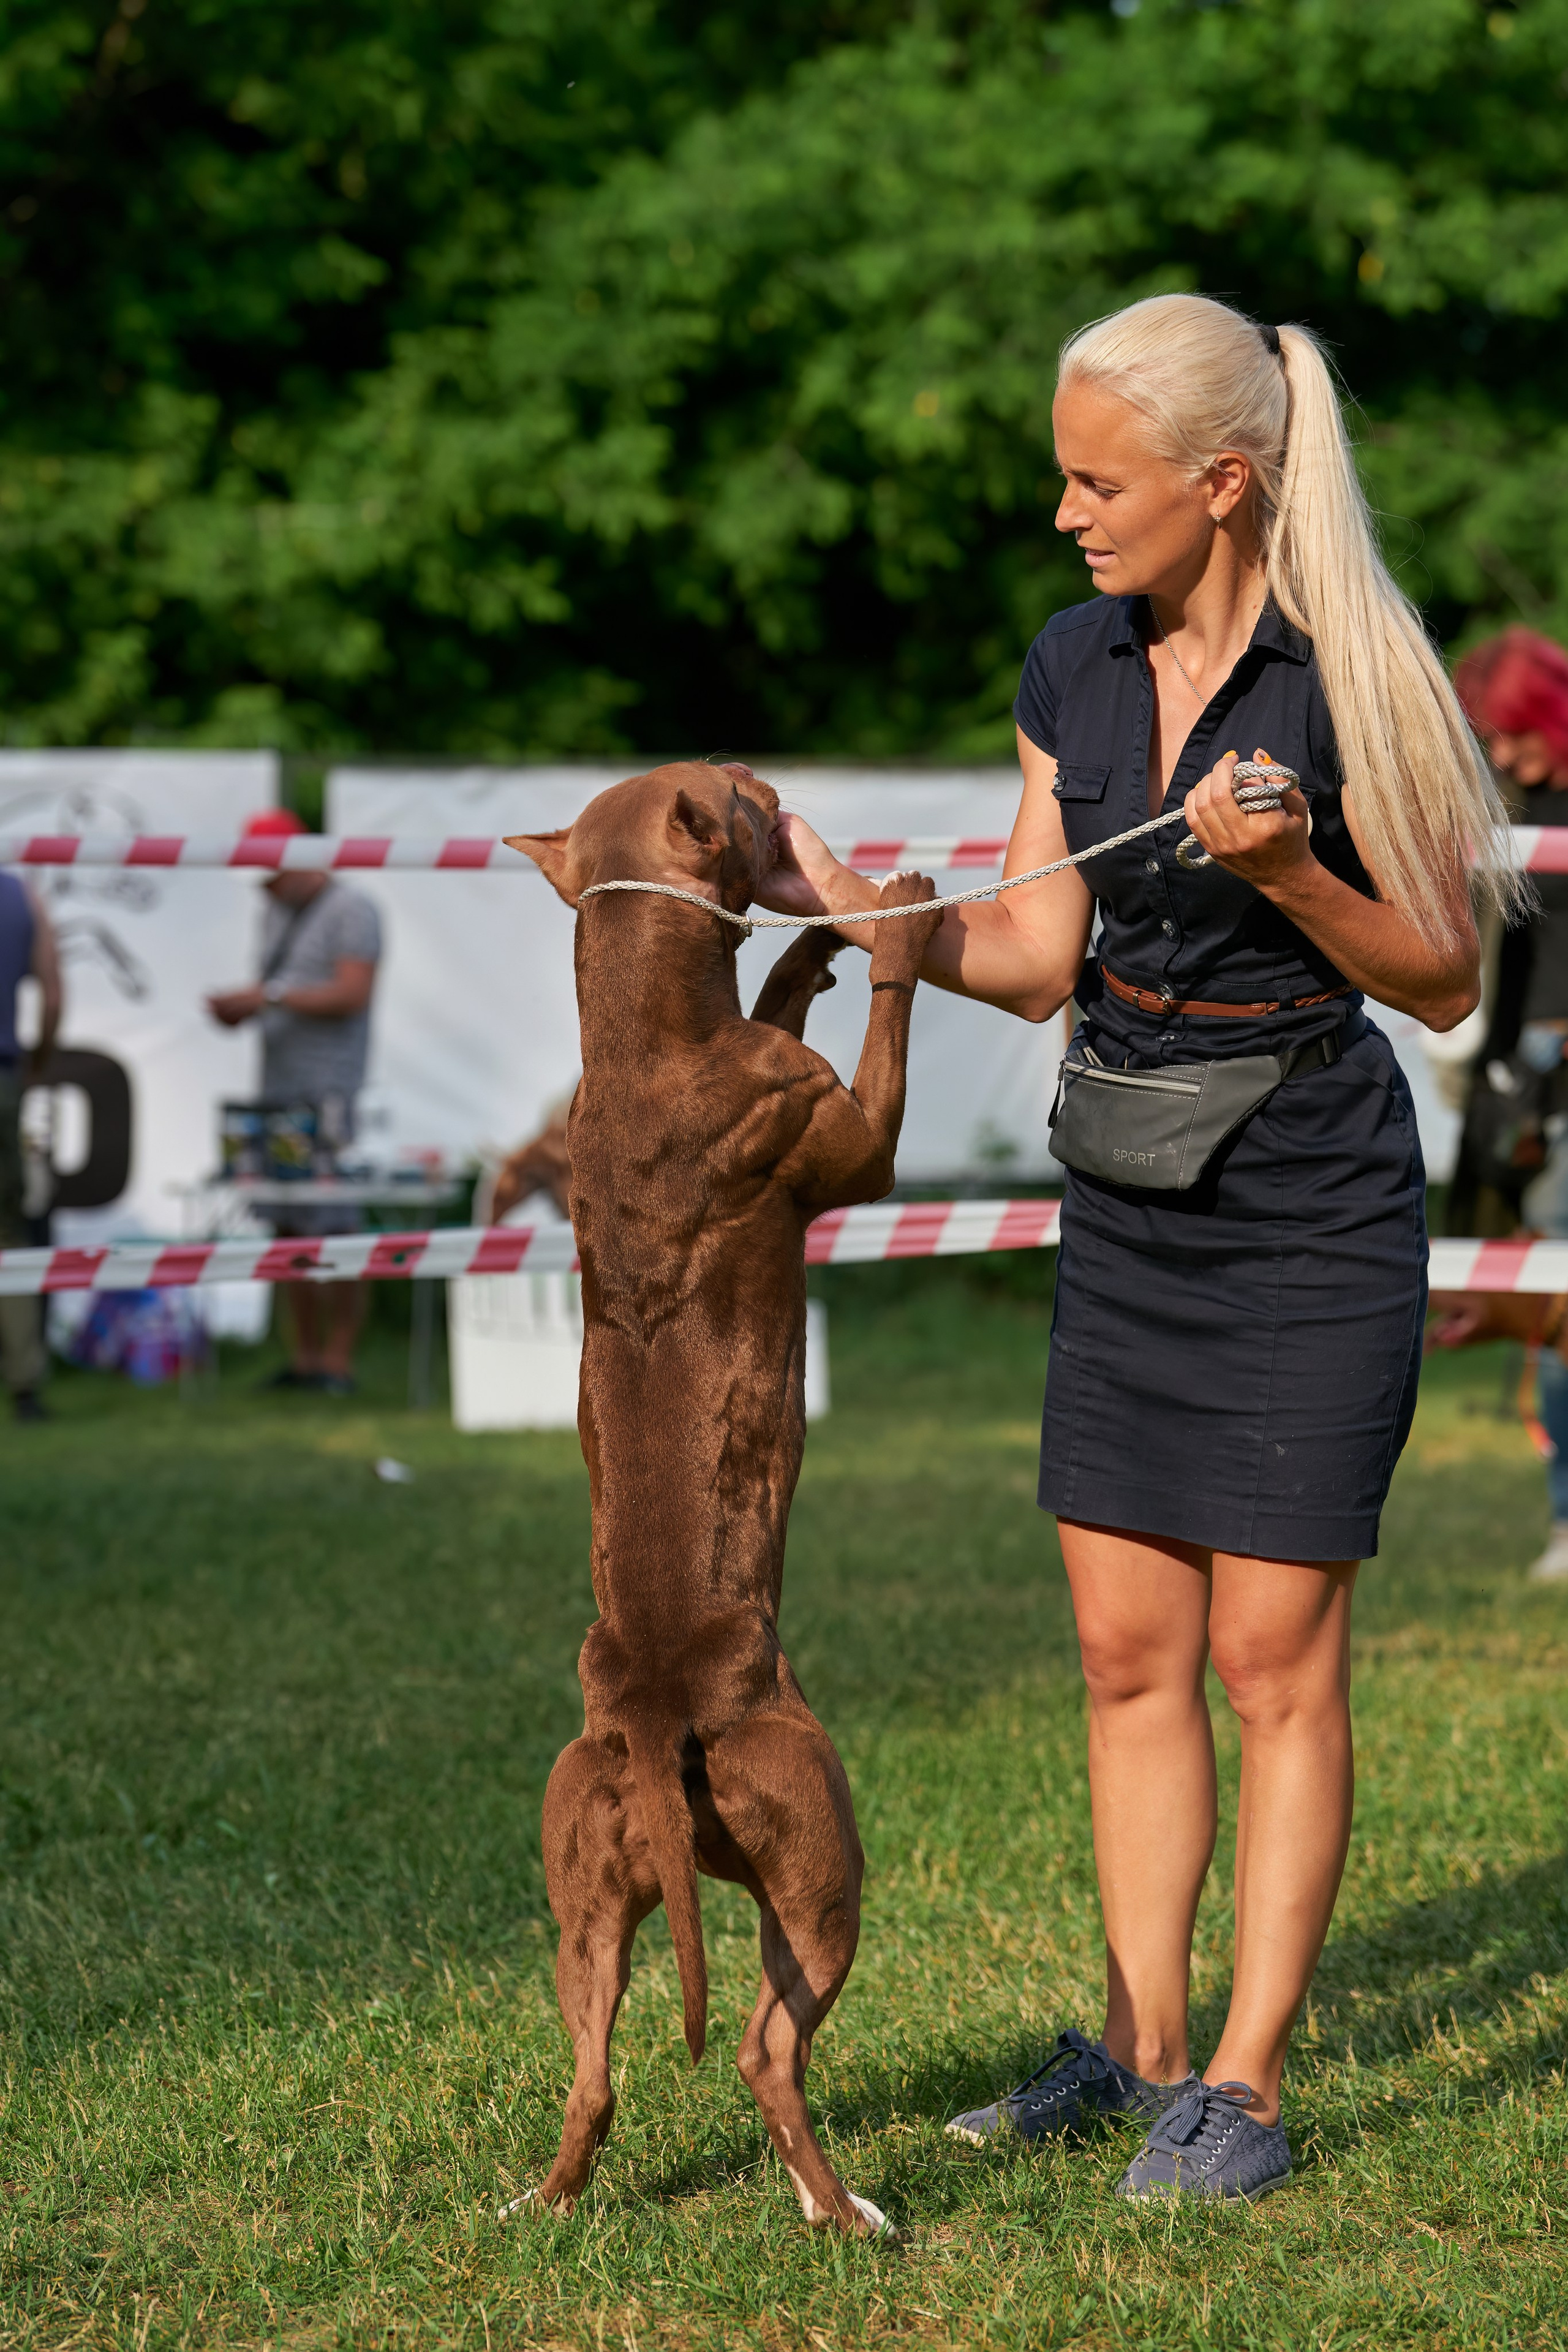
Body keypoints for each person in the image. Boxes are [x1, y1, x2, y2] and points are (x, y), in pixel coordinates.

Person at [758, 293, 1512, 2201]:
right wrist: (883, 919)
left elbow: (1440, 973)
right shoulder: (1070, 663)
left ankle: (1242, 2087)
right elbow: (1035, 950)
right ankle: (1141, 2044)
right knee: (1122, 1648)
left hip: (1308, 1195)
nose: (1071, 514)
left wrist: (1289, 873)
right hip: (1128, 1189)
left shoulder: (1351, 675)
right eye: (1064, 477)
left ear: (1220, 480)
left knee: (1272, 1658)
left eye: (1099, 481)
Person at [1441, 627, 1568, 1580]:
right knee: (1548, 1299)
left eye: (1513, 734)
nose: (1501, 755)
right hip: (1521, 1069)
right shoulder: (1509, 809)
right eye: (1490, 737)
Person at [206, 810, 383, 1395]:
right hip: (279, 1088)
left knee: (334, 1225)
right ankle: (306, 1358)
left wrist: (270, 996)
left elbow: (354, 992)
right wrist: (256, 1004)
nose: (266, 885)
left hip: (327, 1091)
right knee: (286, 1226)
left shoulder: (353, 909)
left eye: (272, 872)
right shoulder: (275, 908)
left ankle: (339, 1360)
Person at [0, 872, 62, 1422]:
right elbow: (53, 994)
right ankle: (25, 1387)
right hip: (3, 1079)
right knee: (10, 1234)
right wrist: (36, 1067)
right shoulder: (22, 896)